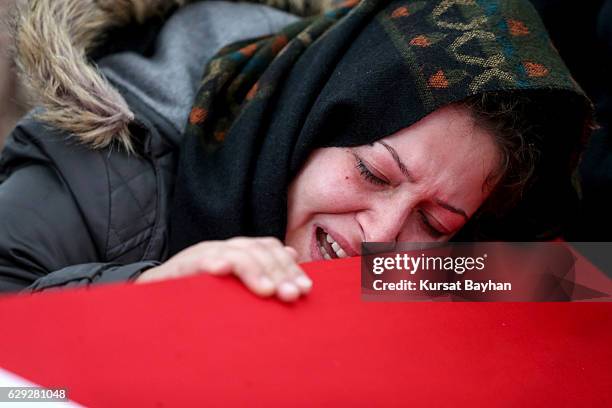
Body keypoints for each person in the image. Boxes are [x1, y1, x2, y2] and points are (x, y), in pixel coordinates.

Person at [0, 0, 592, 301]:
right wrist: (139, 299)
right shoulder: (84, 178)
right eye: (372, 171)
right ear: (307, 121)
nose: (380, 236)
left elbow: (567, 289)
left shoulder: (431, 265)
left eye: (434, 221)